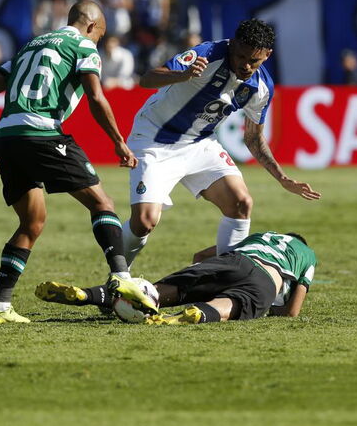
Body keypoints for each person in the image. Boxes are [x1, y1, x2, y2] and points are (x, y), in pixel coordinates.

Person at [0, 0, 155, 324]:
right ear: (92, 27)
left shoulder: (30, 46)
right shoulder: (82, 46)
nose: (97, 45)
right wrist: (119, 142)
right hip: (42, 132)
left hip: (6, 138)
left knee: (32, 222)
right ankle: (121, 276)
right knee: (103, 204)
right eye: (99, 37)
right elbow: (95, 96)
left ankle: (0, 306)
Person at [120, 18, 321, 267]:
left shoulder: (260, 88)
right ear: (233, 44)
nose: (246, 65)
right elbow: (147, 79)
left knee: (241, 202)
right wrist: (182, 75)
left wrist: (282, 178)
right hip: (154, 138)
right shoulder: (208, 54)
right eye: (241, 56)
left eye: (254, 60)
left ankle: (224, 279)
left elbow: (253, 138)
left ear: (267, 55)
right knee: (145, 222)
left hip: (200, 144)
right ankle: (118, 275)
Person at [36, 231, 317, 324]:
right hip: (266, 282)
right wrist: (269, 308)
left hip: (236, 260)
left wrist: (198, 281)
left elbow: (200, 255)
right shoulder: (308, 255)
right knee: (231, 305)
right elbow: (292, 311)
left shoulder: (259, 237)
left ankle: (88, 294)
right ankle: (186, 317)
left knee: (154, 291)